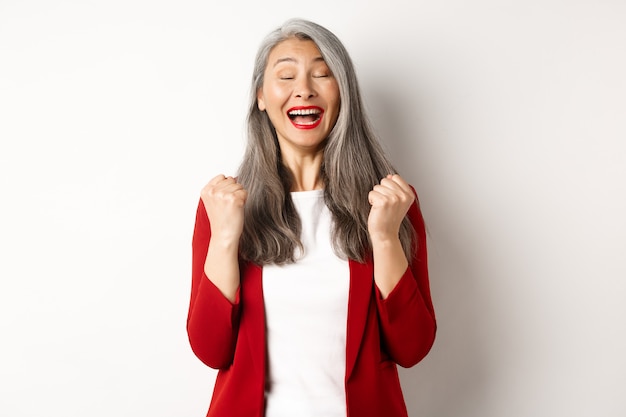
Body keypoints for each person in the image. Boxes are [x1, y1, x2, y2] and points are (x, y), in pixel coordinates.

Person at [187, 18, 436, 417]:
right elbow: (210, 349)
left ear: (343, 94)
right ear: (261, 97)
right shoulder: (223, 205)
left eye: (322, 74)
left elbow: (413, 348)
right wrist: (225, 239)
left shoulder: (391, 203)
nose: (304, 88)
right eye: (286, 75)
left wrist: (386, 238)